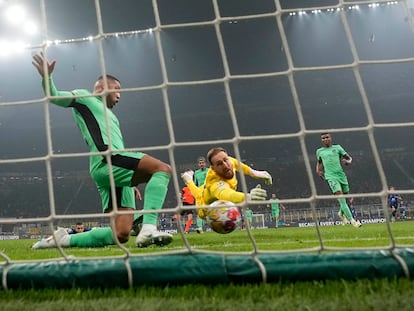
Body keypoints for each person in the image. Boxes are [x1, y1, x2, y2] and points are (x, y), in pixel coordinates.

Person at [31, 52, 173, 249]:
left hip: (116, 167)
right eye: (117, 89)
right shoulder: (85, 98)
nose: (119, 96)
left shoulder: (111, 116)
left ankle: (63, 240)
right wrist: (47, 77)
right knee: (163, 169)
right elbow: (53, 96)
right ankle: (148, 227)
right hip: (107, 160)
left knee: (121, 234)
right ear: (102, 86)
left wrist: (129, 179)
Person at [181, 147, 272, 220]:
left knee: (200, 191)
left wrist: (257, 173)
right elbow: (227, 195)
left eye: (225, 160)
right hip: (205, 207)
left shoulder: (230, 161)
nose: (225, 165)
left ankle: (188, 179)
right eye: (219, 164)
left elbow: (240, 166)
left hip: (206, 190)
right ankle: (188, 180)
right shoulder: (214, 183)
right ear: (213, 168)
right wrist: (248, 197)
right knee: (198, 195)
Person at [316, 132, 361, 228]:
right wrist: (318, 170)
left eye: (327, 137)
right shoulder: (319, 151)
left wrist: (347, 162)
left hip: (341, 176)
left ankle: (341, 213)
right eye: (323, 138)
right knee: (341, 199)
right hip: (330, 177)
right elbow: (320, 162)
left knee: (346, 198)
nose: (325, 139)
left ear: (330, 138)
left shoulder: (338, 148)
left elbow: (349, 158)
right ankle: (353, 221)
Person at [194, 156, 207, 233]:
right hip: (199, 193)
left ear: (205, 163)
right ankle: (200, 228)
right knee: (199, 211)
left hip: (207, 192)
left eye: (203, 163)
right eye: (200, 163)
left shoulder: (209, 171)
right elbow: (195, 184)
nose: (201, 164)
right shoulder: (196, 173)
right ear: (198, 164)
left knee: (210, 210)